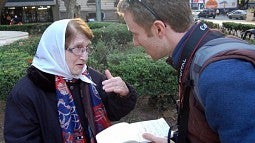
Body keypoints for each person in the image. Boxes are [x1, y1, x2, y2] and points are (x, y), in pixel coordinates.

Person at [117, 0, 255, 143]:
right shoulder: (201, 52)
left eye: (135, 33)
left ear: (158, 29)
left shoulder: (223, 74)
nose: (135, 42)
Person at [4, 18, 137, 143]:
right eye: (78, 48)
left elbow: (113, 113)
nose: (84, 57)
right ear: (56, 50)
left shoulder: (89, 77)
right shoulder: (26, 93)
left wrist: (124, 94)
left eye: (86, 48)